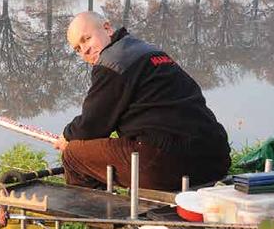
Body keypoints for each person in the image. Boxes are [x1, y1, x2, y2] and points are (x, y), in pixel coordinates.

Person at [53, 11, 231, 192]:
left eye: (86, 39)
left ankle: (106, 218)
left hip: (169, 163)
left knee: (74, 155)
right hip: (215, 158)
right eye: (77, 48)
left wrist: (68, 136)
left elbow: (92, 126)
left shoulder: (112, 63)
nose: (85, 51)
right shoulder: (150, 51)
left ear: (107, 28)